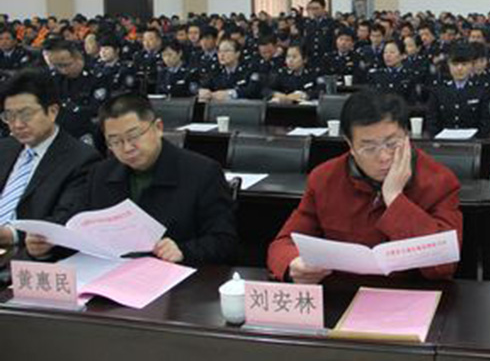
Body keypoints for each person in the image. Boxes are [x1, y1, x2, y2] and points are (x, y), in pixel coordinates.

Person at [266, 90, 462, 282]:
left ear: (407, 135)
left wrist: (394, 198)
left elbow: (443, 266)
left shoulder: (439, 181)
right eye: (369, 148)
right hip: (344, 292)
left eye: (392, 144)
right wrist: (294, 264)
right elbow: (283, 244)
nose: (383, 157)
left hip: (413, 294)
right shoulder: (324, 179)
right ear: (350, 145)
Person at [27, 94, 237, 265]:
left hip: (175, 283)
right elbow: (78, 228)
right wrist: (47, 246)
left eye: (134, 136)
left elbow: (224, 241)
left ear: (158, 128)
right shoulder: (100, 173)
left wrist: (184, 251)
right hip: (111, 277)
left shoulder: (202, 172)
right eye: (115, 141)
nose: (127, 148)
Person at [0, 70, 100, 249]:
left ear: (52, 111)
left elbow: (65, 219)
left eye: (26, 114)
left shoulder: (82, 159)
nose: (17, 124)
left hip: (24, 252)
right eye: (9, 116)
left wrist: (11, 234)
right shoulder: (5, 148)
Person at [426, 42, 490, 137]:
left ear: (471, 65)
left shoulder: (482, 89)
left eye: (464, 64)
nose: (459, 68)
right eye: (455, 64)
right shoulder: (438, 89)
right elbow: (432, 121)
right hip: (444, 141)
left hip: (473, 142)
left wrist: (475, 139)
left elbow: (486, 122)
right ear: (449, 65)